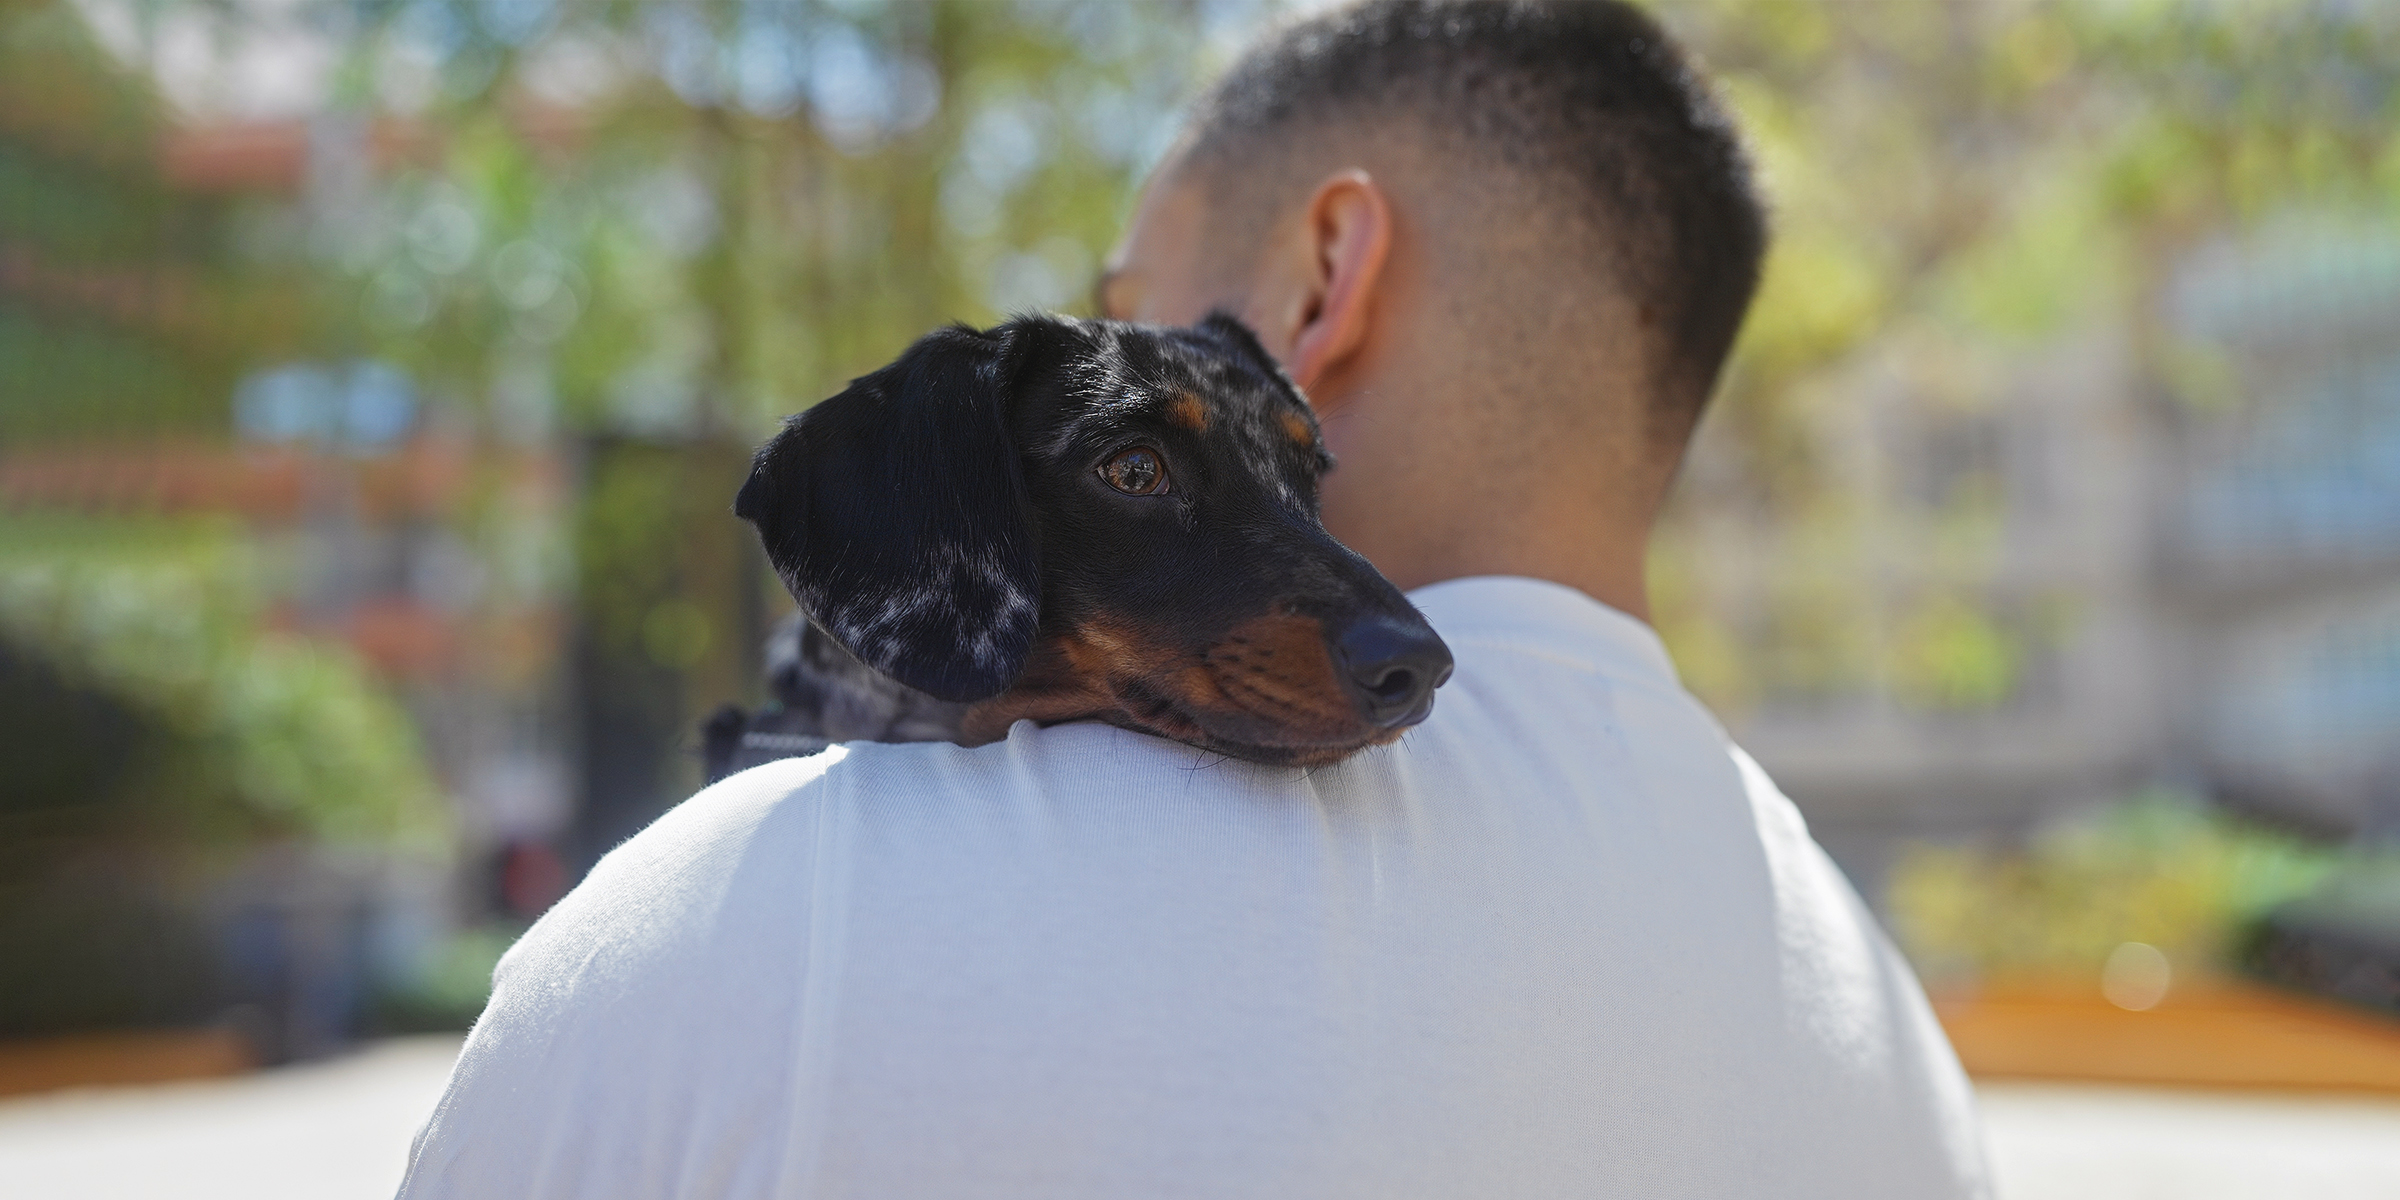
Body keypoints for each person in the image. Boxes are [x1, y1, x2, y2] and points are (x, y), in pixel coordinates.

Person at [399, 3, 1991, 1196]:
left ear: (1320, 282)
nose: (1133, 335)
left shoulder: (743, 926)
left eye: (1126, 295)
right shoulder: (1897, 1043)